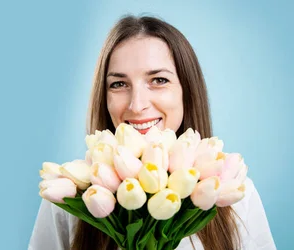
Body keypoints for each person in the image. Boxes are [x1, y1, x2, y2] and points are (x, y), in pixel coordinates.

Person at [28, 14, 276, 250]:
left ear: (187, 91)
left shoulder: (234, 194)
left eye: (158, 80)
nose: (137, 105)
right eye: (119, 84)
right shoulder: (69, 196)